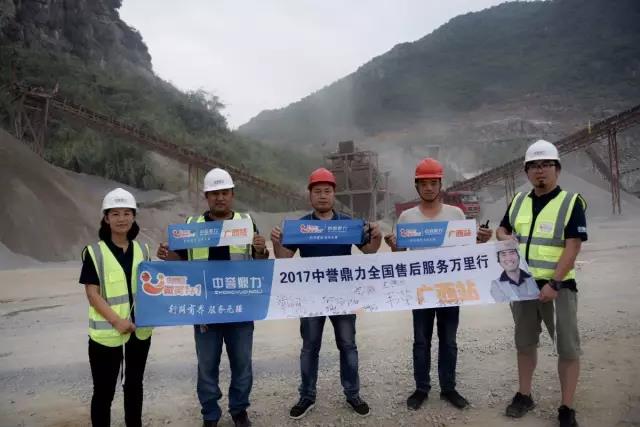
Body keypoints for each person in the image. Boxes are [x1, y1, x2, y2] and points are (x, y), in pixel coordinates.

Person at [157, 168, 269, 427]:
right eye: (214, 193)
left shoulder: (246, 222)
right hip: (205, 309)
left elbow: (259, 264)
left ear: (232, 195)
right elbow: (179, 263)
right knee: (207, 365)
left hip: (239, 308)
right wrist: (166, 254)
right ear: (206, 197)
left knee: (242, 364)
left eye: (224, 193)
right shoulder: (191, 226)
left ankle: (239, 410)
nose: (220, 198)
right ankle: (210, 414)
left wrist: (261, 250)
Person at [270, 167, 382, 419]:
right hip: (311, 298)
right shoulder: (300, 227)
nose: (322, 195)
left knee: (348, 345)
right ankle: (307, 396)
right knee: (310, 347)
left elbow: (370, 251)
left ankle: (352, 393)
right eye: (317, 191)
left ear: (334, 194)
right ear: (310, 195)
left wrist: (376, 236)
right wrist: (277, 241)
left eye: (327, 191)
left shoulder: (348, 225)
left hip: (343, 297)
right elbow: (284, 257)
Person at [384, 158, 493, 411]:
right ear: (417, 186)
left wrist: (481, 241)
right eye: (424, 183)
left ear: (440, 185)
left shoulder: (455, 214)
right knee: (421, 342)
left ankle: (448, 388)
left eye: (433, 183)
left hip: (449, 290)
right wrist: (393, 246)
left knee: (449, 341)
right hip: (420, 291)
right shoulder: (407, 218)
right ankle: (421, 388)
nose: (429, 188)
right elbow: (400, 254)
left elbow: (466, 251)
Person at [496, 140, 587, 427]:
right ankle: (524, 395)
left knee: (568, 348)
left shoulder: (570, 202)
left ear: (557, 169)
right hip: (523, 287)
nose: (540, 170)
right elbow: (502, 229)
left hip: (558, 289)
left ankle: (566, 407)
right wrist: (505, 238)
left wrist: (554, 284)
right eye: (534, 166)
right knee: (524, 343)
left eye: (546, 164)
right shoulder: (519, 201)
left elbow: (573, 246)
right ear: (526, 171)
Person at [80, 188, 153, 427]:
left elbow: (151, 287)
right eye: (115, 213)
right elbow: (92, 293)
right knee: (104, 391)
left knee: (134, 385)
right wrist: (117, 321)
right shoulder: (95, 253)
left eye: (126, 213)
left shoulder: (143, 250)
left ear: (134, 216)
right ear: (106, 218)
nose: (122, 218)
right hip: (107, 335)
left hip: (139, 332)